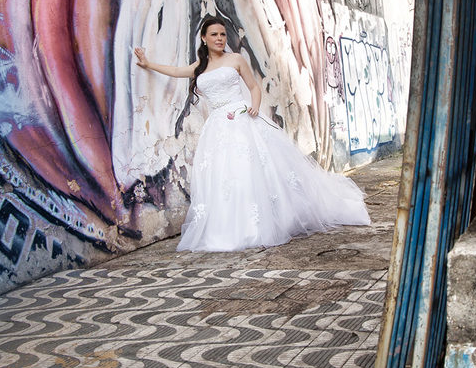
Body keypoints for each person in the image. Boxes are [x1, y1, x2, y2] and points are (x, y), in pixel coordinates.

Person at [134, 16, 370, 252]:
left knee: (250, 170)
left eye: (223, 34)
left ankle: (261, 224)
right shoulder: (200, 67)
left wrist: (255, 105)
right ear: (204, 39)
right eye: (214, 34)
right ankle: (230, 227)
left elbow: (254, 87)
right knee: (225, 177)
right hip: (216, 126)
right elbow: (175, 71)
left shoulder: (235, 59)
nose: (219, 38)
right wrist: (147, 64)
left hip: (242, 118)